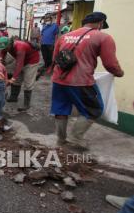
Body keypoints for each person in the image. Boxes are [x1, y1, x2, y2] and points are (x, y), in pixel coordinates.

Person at [52, 12, 124, 150]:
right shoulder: (103, 37)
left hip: (58, 80)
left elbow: (55, 59)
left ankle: (61, 141)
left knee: (60, 110)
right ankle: (75, 138)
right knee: (93, 110)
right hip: (81, 81)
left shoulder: (65, 36)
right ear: (100, 23)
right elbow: (110, 64)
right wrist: (119, 73)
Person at [0, 36, 40, 111]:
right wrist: (0, 59)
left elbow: (19, 64)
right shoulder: (6, 46)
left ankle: (26, 104)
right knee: (17, 80)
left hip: (31, 61)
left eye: (6, 48)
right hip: (20, 59)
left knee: (28, 82)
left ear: (10, 44)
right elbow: (2, 53)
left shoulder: (20, 47)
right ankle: (13, 98)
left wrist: (12, 79)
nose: (4, 49)